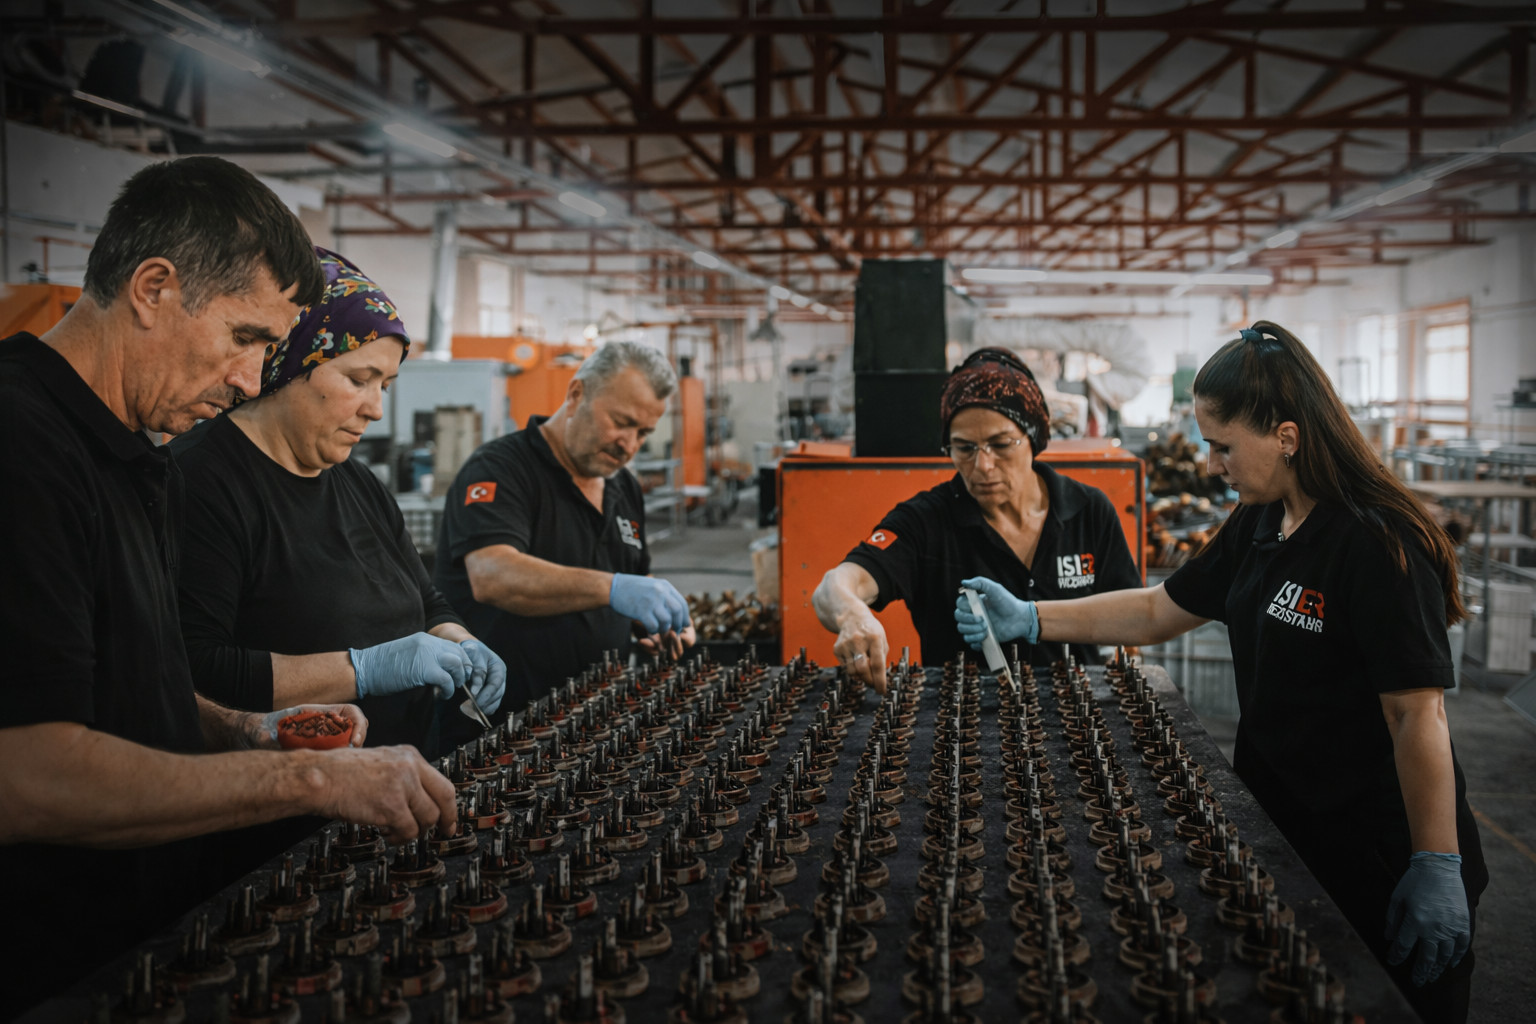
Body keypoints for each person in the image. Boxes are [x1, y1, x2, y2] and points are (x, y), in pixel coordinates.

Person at [0, 157, 457, 1019]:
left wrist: (246, 728)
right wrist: (313, 783)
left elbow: (131, 685)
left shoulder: (131, 454)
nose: (252, 379)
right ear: (154, 288)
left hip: (142, 936)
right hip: (44, 966)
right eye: (245, 338)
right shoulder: (22, 447)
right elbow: (26, 772)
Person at [954, 322, 1487, 1023]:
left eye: (1223, 446)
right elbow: (1157, 609)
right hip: (1287, 830)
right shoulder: (1260, 522)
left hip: (1379, 849)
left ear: (1286, 436)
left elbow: (1416, 713)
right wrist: (1031, 616)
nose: (1211, 465)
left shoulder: (1377, 544)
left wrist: (1436, 862)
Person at [173, 248, 505, 752]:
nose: (375, 409)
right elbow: (196, 668)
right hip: (292, 789)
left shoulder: (356, 480)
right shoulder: (202, 482)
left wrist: (461, 640)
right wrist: (364, 670)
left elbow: (426, 601)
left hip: (402, 771)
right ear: (292, 359)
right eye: (358, 380)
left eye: (384, 386)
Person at [813, 347, 1141, 691]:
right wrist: (851, 613)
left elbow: (1131, 618)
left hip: (1075, 714)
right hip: (961, 719)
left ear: (1034, 438)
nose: (983, 466)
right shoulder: (925, 522)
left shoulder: (1088, 511)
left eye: (1001, 444)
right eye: (964, 448)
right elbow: (834, 586)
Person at [435, 341, 695, 720]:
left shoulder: (624, 486)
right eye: (621, 422)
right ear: (576, 395)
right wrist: (614, 589)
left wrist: (654, 617)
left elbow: (633, 574)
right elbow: (493, 575)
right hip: (500, 723)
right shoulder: (500, 469)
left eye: (643, 432)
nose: (629, 445)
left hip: (595, 719)